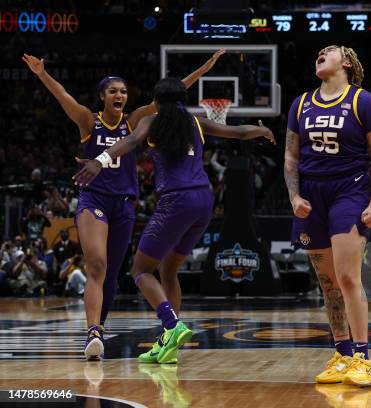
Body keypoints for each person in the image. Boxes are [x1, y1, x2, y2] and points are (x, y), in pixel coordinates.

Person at [23, 49, 226, 360]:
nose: (120, 95)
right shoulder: (88, 120)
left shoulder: (135, 121)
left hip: (125, 204)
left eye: (124, 91)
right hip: (95, 200)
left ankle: (99, 330)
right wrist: (42, 74)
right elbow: (62, 95)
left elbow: (172, 93)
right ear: (103, 96)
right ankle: (92, 332)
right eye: (113, 91)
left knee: (114, 272)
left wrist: (204, 68)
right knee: (96, 265)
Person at [73, 77, 275, 364]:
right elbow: (239, 132)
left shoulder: (153, 122)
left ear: (158, 100)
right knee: (168, 271)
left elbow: (129, 141)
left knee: (141, 270)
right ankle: (168, 346)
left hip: (176, 201)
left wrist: (99, 160)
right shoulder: (195, 121)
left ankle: (171, 323)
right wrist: (262, 129)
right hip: (205, 201)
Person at [285, 45, 371, 386]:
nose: (320, 54)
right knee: (328, 284)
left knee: (347, 278)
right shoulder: (300, 103)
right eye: (318, 52)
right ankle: (342, 354)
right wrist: (294, 195)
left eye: (328, 52)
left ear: (345, 62)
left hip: (350, 190)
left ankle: (363, 357)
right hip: (312, 194)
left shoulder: (364, 101)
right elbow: (290, 157)